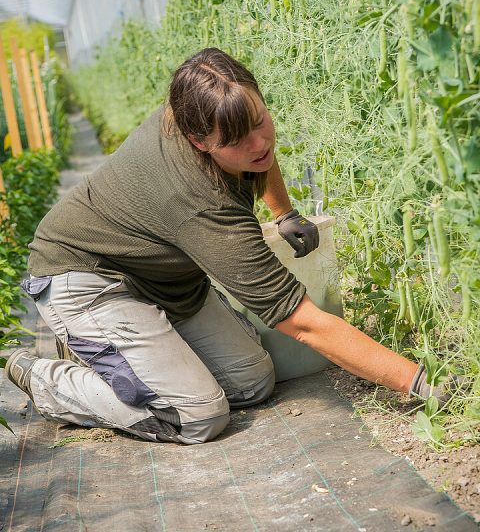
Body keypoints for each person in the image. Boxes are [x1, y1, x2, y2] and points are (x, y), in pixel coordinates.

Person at [6, 48, 454, 444]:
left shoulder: (203, 104)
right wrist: (420, 382)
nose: (260, 143)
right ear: (198, 141)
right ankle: (51, 379)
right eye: (238, 140)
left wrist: (284, 212)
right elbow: (305, 324)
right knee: (197, 415)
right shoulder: (202, 204)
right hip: (87, 279)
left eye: (260, 121)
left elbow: (257, 152)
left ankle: (129, 355)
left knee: (251, 382)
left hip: (163, 279)